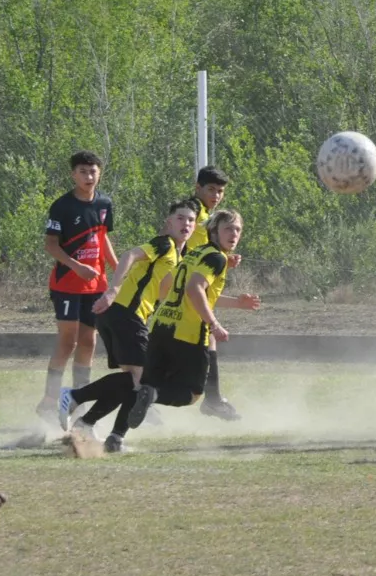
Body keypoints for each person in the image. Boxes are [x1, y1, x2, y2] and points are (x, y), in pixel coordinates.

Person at [58, 200, 198, 453]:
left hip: (122, 315)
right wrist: (112, 290)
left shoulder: (179, 256)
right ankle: (77, 399)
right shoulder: (164, 244)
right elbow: (129, 255)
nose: (185, 224)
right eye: (180, 218)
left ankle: (90, 427)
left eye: (190, 220)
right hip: (125, 313)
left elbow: (166, 291)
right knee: (143, 381)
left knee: (132, 383)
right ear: (168, 222)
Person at [126, 210, 261, 428]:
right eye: (228, 228)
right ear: (214, 231)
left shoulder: (195, 253)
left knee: (147, 386)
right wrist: (214, 324)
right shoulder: (216, 258)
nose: (234, 234)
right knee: (191, 394)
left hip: (161, 326)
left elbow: (177, 290)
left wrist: (237, 303)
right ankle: (154, 397)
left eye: (237, 229)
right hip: (188, 334)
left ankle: (111, 434)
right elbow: (194, 289)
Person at [37, 151, 117, 423]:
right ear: (73, 175)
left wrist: (117, 268)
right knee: (68, 341)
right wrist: (76, 266)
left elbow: (103, 238)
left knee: (88, 341)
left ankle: (79, 398)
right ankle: (49, 399)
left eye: (93, 171)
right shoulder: (62, 206)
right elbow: (51, 245)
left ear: (99, 173)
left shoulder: (105, 202)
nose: (88, 176)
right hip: (67, 284)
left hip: (95, 285)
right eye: (83, 171)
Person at [186, 166, 243, 421]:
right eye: (211, 189)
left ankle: (212, 398)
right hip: (180, 283)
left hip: (191, 281)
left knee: (206, 339)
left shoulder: (207, 215)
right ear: (197, 188)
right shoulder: (192, 210)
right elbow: (175, 234)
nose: (216, 195)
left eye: (220, 191)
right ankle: (144, 393)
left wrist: (223, 259)